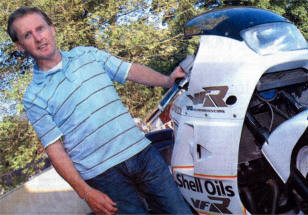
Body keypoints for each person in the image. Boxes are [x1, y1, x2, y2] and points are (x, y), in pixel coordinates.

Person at [7, 7, 191, 215]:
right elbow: (55, 150)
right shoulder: (33, 97)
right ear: (20, 46)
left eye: (40, 29)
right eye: (27, 35)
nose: (38, 38)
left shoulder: (87, 54)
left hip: (142, 154)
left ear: (52, 29)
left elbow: (129, 70)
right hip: (104, 177)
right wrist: (85, 192)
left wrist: (167, 80)